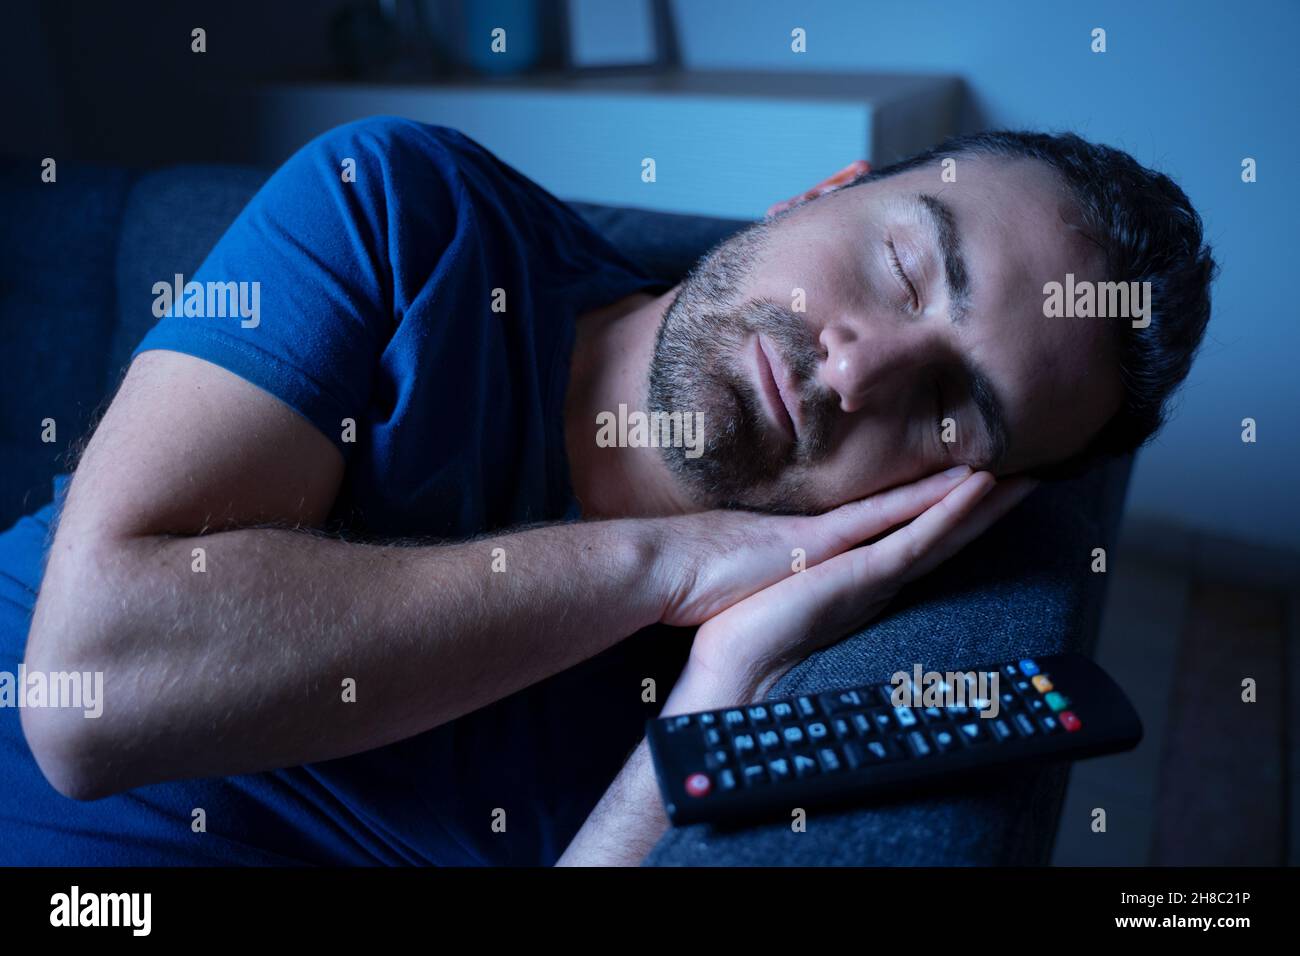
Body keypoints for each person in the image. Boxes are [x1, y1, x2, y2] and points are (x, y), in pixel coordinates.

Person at [0, 117, 1214, 865]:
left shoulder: (761, 654)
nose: (857, 370)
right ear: (819, 191)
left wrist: (715, 687)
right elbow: (85, 696)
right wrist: (659, 564)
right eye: (902, 265)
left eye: (946, 407)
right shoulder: (404, 213)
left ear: (954, 497)